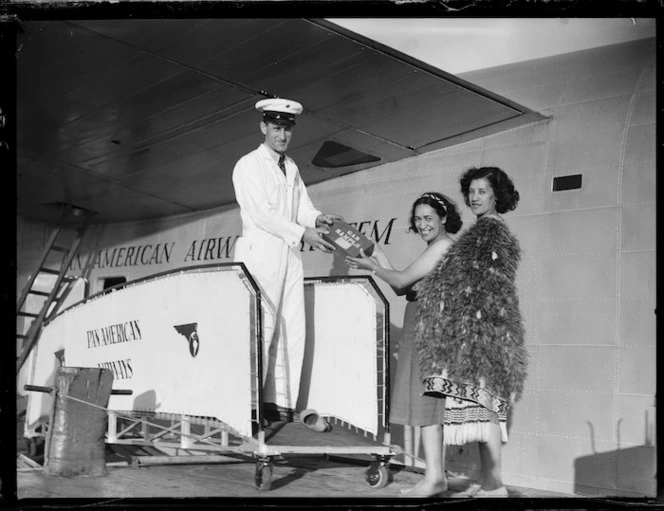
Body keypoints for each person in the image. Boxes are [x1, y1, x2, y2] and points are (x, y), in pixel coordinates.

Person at [415, 166, 528, 497]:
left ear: (497, 195)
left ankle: (494, 484)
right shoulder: (483, 230)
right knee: (482, 409)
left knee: (487, 410)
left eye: (482, 191)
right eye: (472, 192)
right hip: (483, 328)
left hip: (482, 331)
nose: (475, 197)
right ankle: (490, 483)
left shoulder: (489, 232)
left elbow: (481, 283)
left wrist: (433, 287)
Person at [232, 97, 343, 424]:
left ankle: (277, 405)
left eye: (287, 130)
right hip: (261, 254)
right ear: (264, 126)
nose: (282, 135)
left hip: (288, 255)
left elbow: (301, 207)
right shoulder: (248, 165)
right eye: (276, 128)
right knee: (260, 329)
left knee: (291, 329)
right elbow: (262, 215)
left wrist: (319, 219)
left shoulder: (290, 167)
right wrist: (302, 233)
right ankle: (248, 408)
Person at [346, 192, 462, 497]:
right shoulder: (435, 248)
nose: (422, 224)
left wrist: (371, 266)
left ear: (444, 218)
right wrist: (378, 256)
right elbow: (405, 287)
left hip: (430, 329)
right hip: (422, 323)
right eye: (418, 219)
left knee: (428, 406)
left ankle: (436, 477)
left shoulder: (443, 247)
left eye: (428, 218)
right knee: (426, 406)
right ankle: (435, 476)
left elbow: (399, 281)